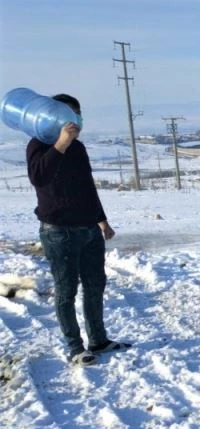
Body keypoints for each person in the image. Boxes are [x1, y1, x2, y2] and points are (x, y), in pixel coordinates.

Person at [26, 94, 130, 366]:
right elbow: (39, 177)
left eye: (78, 115)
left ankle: (99, 340)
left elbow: (87, 188)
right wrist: (60, 143)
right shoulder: (38, 145)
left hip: (88, 229)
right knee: (66, 290)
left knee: (95, 286)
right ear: (53, 118)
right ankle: (75, 347)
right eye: (69, 116)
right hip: (59, 232)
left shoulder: (79, 149)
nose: (76, 122)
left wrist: (102, 220)